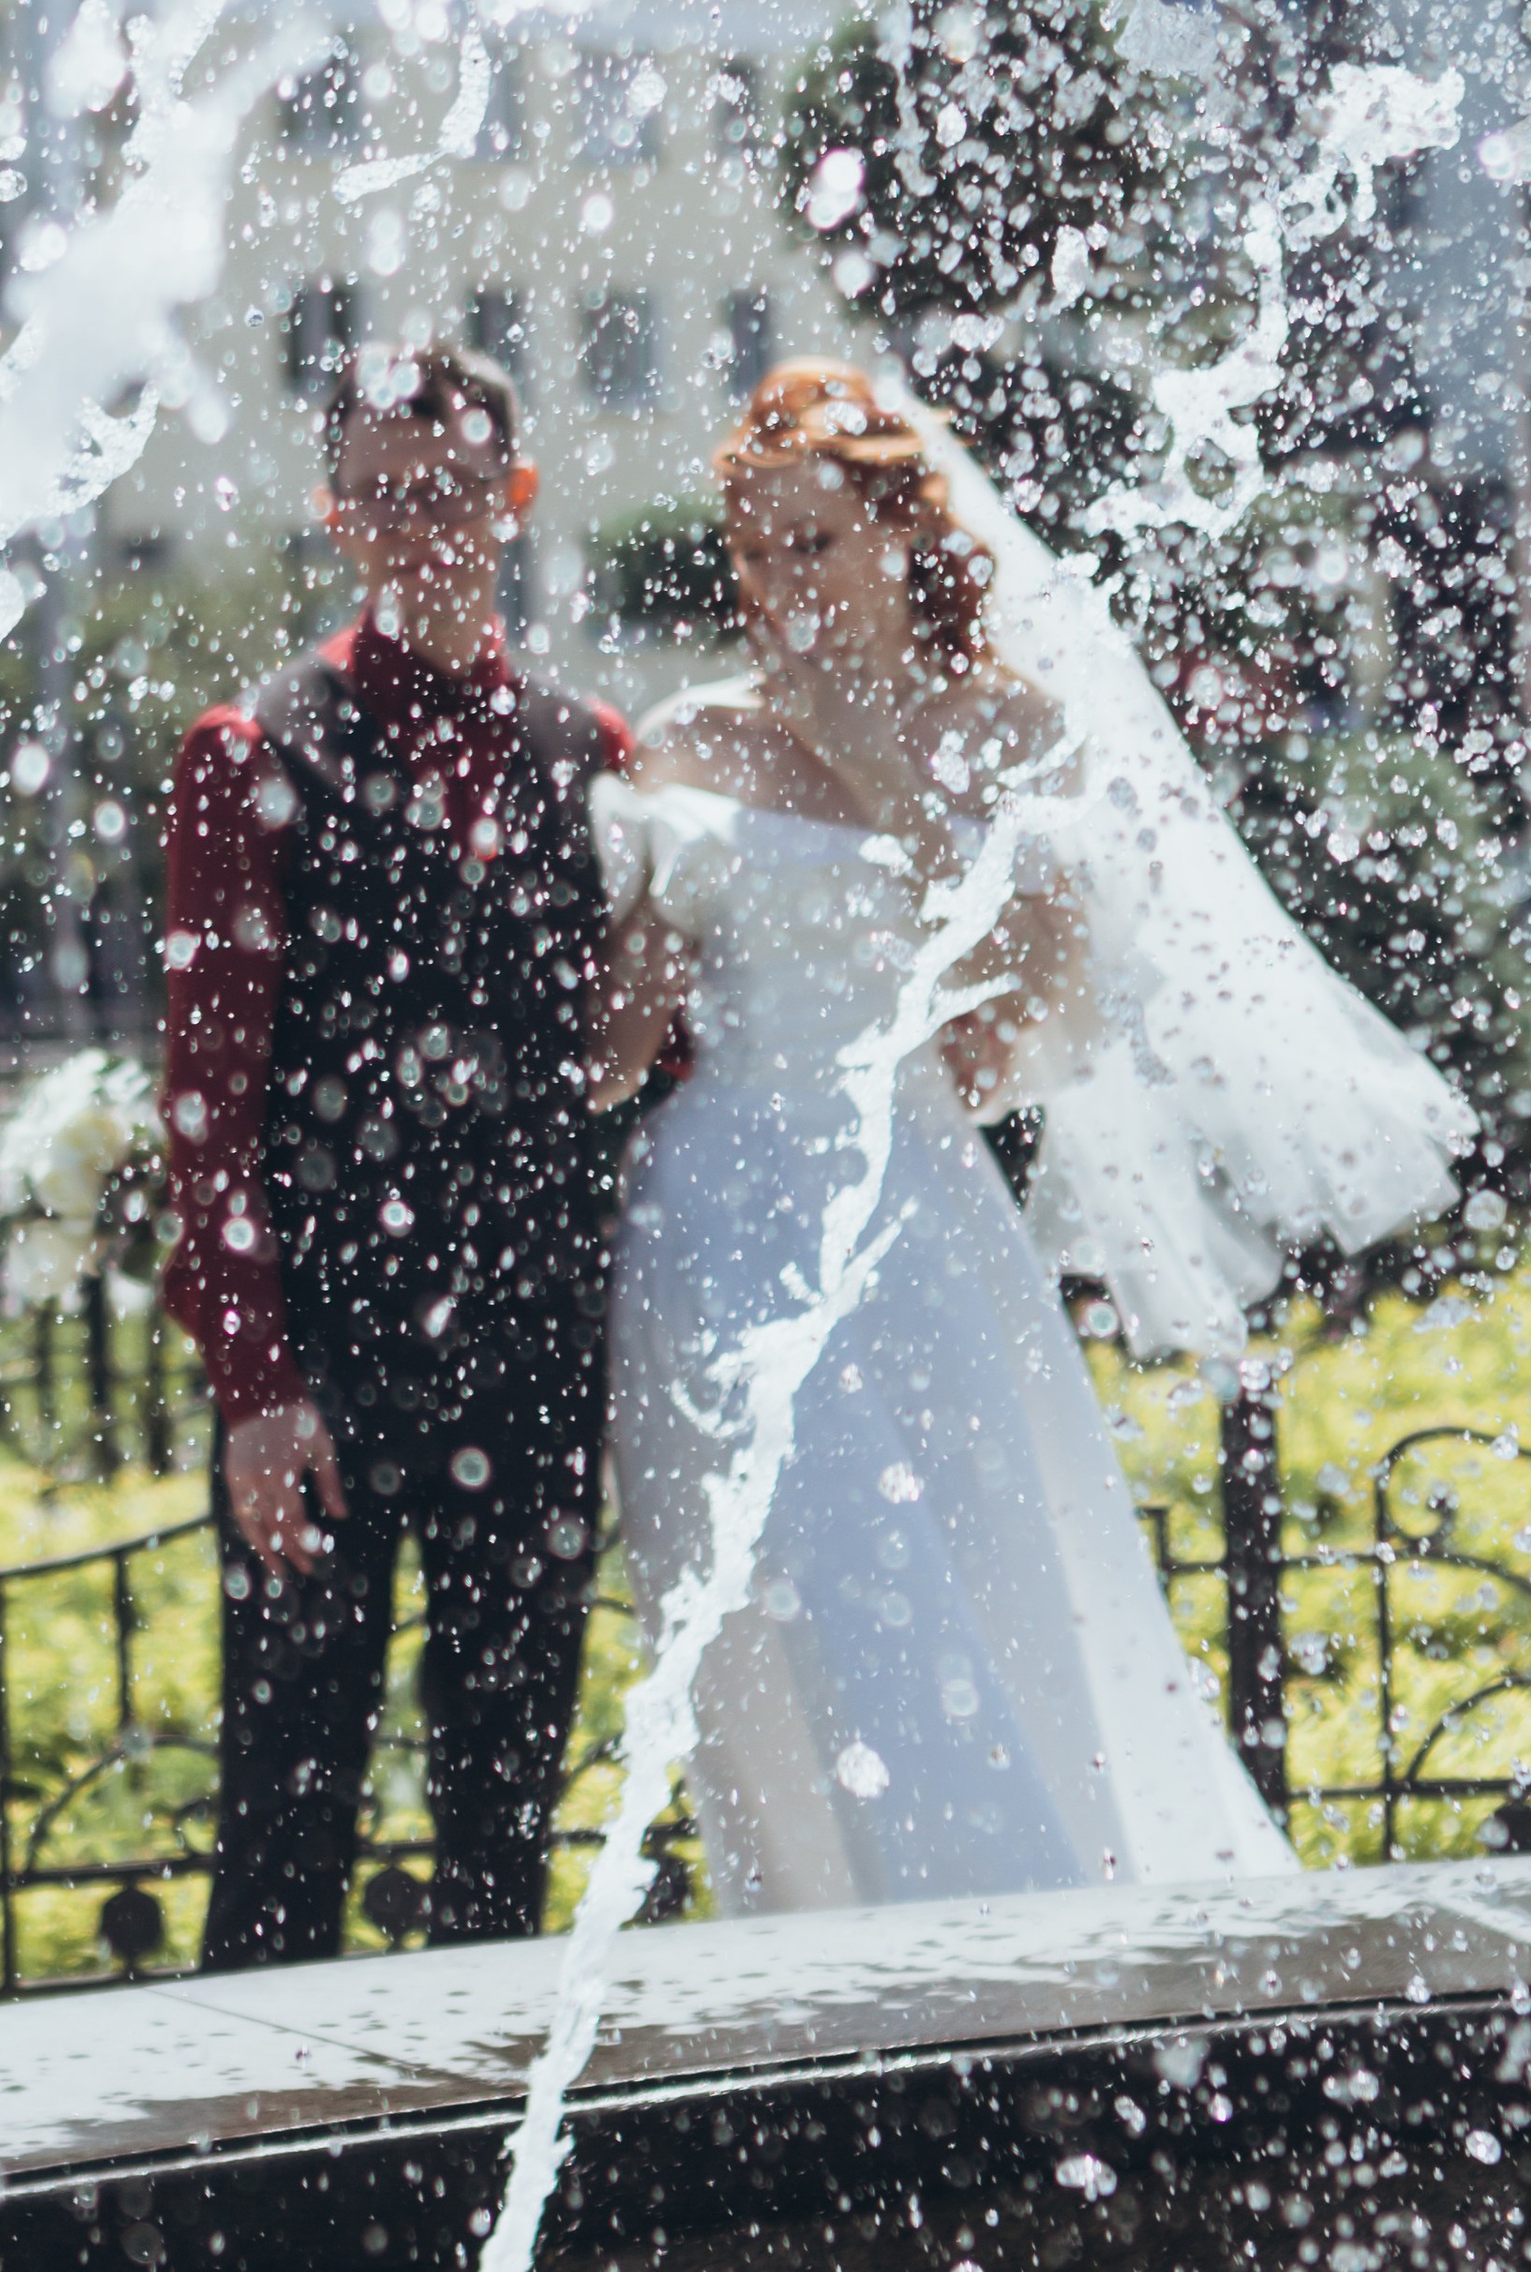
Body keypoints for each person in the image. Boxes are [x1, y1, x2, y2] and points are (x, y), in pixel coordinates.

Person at [585, 360, 1461, 1914]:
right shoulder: (689, 741)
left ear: (899, 539)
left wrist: (865, 766)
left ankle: (1013, 1951)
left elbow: (1010, 1044)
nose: (777, 582)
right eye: (753, 548)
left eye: (812, 544)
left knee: (965, 1583)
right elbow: (619, 1056)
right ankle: (818, 1969)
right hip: (714, 1223)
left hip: (912, 1206)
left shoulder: (1014, 734)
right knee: (779, 1617)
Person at [160, 334, 635, 1966]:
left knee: (507, 1807)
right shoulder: (251, 750)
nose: (417, 521)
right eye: (379, 497)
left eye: (448, 492)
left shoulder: (595, 755)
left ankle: (494, 2164)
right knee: (288, 1806)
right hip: (332, 1361)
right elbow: (208, 1108)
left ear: (511, 499)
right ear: (334, 514)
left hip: (534, 1348)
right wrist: (253, 1383)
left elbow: (630, 1060)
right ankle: (256, 2190)